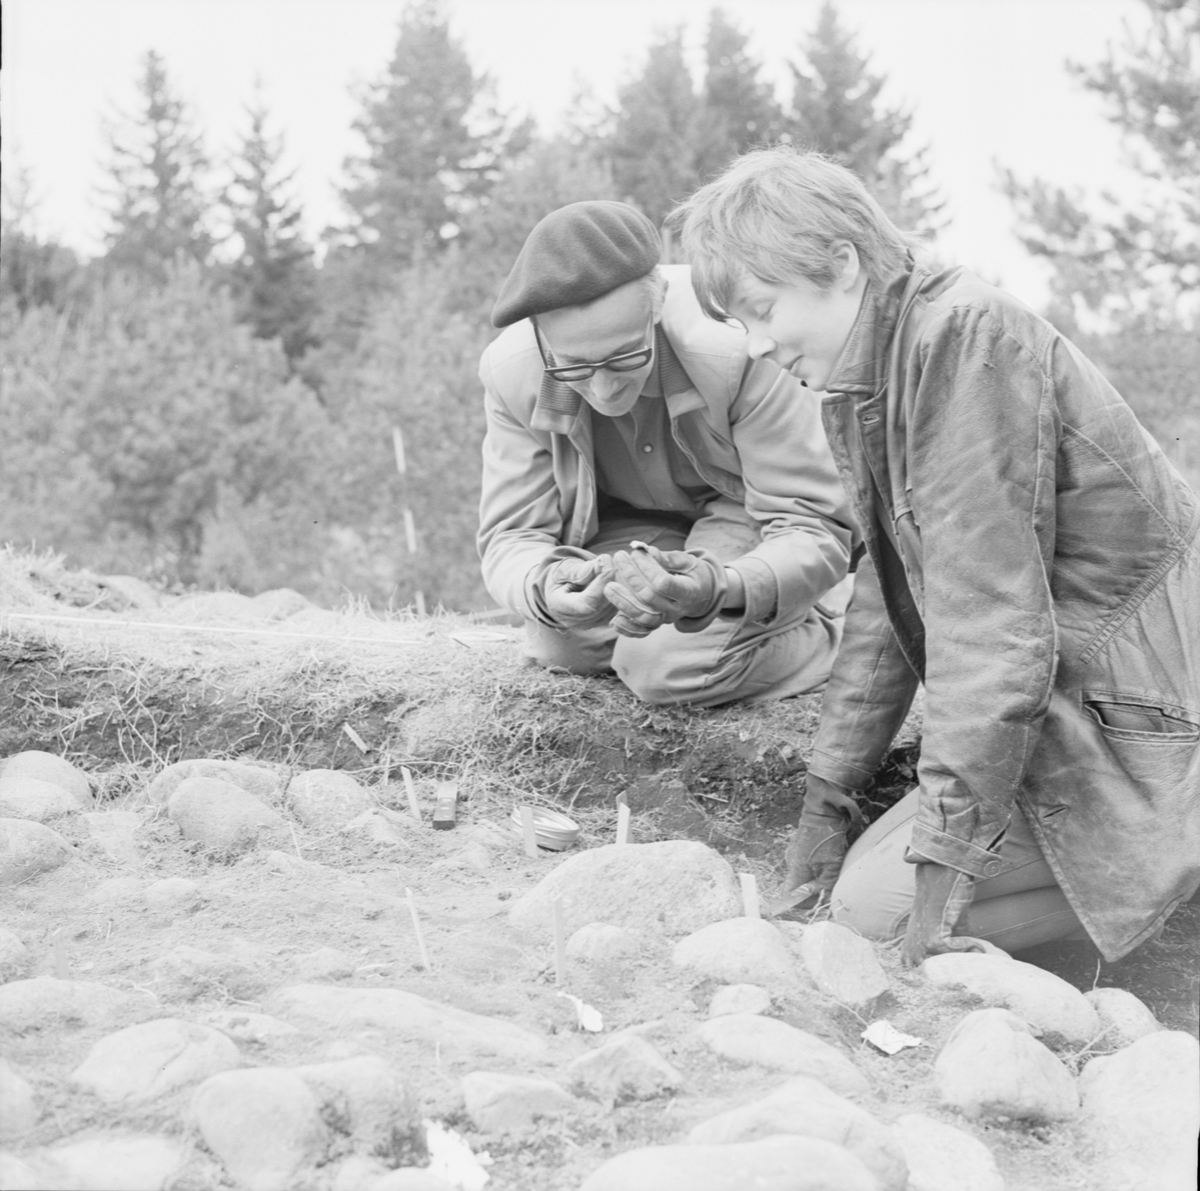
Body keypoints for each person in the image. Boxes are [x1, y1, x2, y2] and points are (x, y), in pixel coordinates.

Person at [673, 147, 1200, 965]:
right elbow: (892, 598)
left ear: (841, 264)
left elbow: (992, 625)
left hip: (1145, 719)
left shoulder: (963, 338)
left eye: (763, 308)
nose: (754, 346)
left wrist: (943, 873)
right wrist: (829, 792)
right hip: (1067, 708)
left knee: (872, 915)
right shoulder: (870, 370)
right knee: (862, 889)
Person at [477, 200, 859, 708]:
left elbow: (811, 528)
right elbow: (511, 536)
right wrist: (549, 587)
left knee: (665, 669)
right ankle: (722, 632)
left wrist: (721, 589)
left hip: (746, 517)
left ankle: (849, 638)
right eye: (575, 367)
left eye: (625, 357)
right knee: (560, 642)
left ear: (657, 302)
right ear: (541, 337)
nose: (605, 389)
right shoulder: (512, 373)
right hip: (632, 533)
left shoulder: (739, 348)